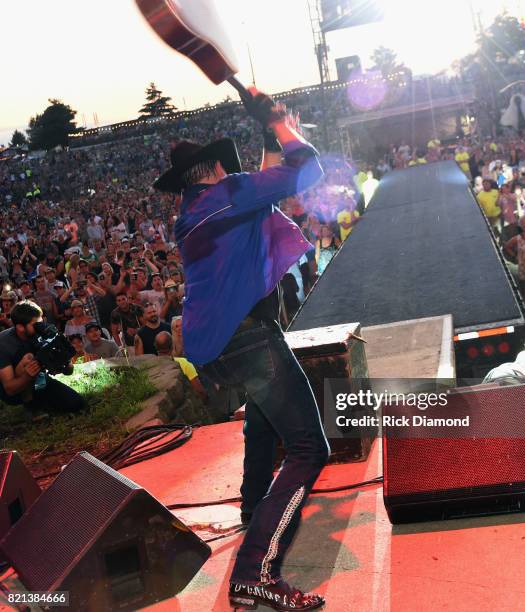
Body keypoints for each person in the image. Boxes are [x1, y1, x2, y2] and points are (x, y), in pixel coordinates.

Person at [156, 88, 328, 610]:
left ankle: (256, 506)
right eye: (224, 168)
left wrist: (269, 136)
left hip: (219, 347)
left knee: (263, 420)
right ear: (211, 169)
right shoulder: (231, 195)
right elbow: (307, 168)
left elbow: (262, 186)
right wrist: (278, 122)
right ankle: (256, 570)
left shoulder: (196, 210)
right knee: (308, 447)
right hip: (250, 338)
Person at [0, 301, 84, 413]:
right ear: (20, 327)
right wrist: (27, 376)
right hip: (14, 391)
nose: (41, 326)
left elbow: (68, 371)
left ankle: (42, 403)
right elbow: (9, 389)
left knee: (76, 403)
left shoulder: (42, 333)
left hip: (40, 381)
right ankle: (31, 406)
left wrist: (64, 358)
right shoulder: (4, 343)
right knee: (28, 358)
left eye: (41, 322)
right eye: (36, 324)